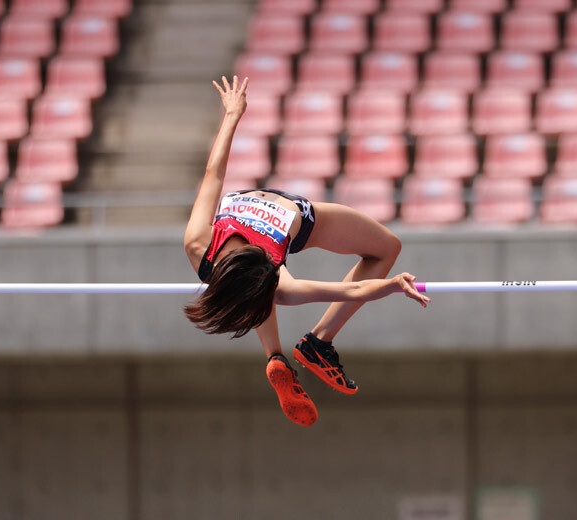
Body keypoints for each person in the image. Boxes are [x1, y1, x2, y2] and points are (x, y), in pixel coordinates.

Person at [183, 75, 430, 426]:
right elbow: (213, 173)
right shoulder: (198, 242)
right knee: (386, 247)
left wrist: (394, 285)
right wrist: (232, 115)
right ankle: (316, 343)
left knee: (267, 292)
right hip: (281, 209)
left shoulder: (201, 244)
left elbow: (355, 290)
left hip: (289, 221)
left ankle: (279, 355)